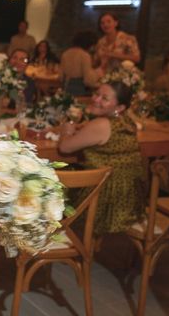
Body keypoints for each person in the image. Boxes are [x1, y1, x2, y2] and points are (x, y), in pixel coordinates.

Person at [58, 81, 145, 235]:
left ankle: (65, 245)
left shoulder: (101, 124)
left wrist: (67, 130)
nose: (96, 99)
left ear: (119, 108)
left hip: (103, 199)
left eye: (104, 98)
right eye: (97, 94)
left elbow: (64, 148)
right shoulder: (127, 121)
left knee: (47, 187)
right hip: (129, 196)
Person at [60, 31, 103, 96]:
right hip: (80, 91)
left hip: (66, 88)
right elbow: (88, 81)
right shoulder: (85, 55)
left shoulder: (65, 53)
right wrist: (98, 75)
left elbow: (61, 77)